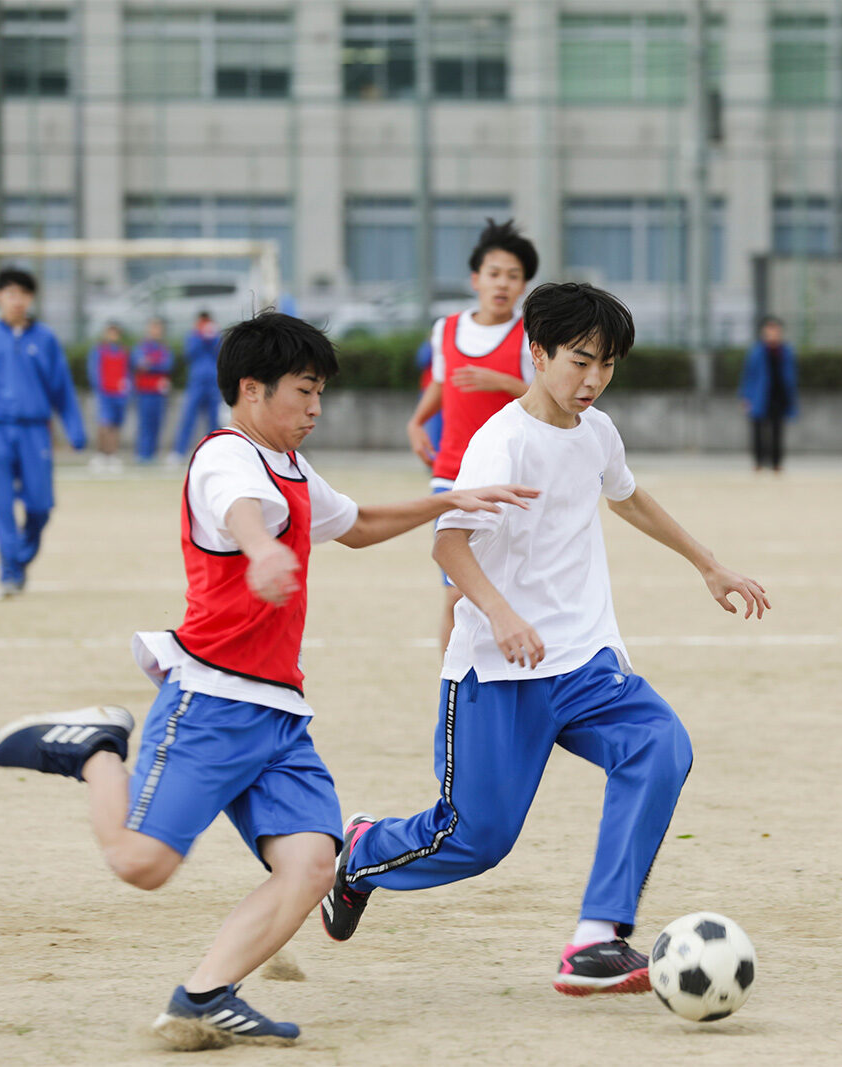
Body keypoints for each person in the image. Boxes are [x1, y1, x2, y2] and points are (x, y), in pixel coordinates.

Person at [0, 311, 536, 1049]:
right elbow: (241, 512)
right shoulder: (228, 456)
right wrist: (260, 550)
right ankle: (94, 749)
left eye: (320, 394)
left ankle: (203, 996)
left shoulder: (292, 466)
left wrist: (446, 500)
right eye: (304, 391)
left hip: (277, 712)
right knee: (141, 863)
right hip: (211, 698)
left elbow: (358, 522)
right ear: (252, 389)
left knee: (312, 863)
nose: (315, 409)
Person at [321, 282, 770, 998]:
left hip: (585, 660)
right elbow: (449, 544)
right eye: (580, 360)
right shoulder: (502, 440)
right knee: (475, 840)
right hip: (500, 672)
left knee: (661, 745)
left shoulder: (598, 433)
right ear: (538, 353)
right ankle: (362, 851)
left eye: (608, 365)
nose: (593, 379)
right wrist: (499, 613)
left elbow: (626, 494)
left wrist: (707, 562)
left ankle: (596, 938)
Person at [403, 218, 540, 654]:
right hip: (452, 475)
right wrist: (416, 421)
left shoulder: (529, 337)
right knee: (456, 594)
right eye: (495, 273)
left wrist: (500, 380)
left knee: (514, 592)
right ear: (475, 279)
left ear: (523, 286)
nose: (503, 283)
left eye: (513, 276)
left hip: (510, 477)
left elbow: (546, 397)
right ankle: (454, 684)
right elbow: (442, 385)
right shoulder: (446, 328)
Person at [0, 268, 87, 599]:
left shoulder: (45, 339)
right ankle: (9, 573)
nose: (17, 300)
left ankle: (20, 559)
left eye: (23, 294)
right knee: (2, 504)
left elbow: (62, 388)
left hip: (34, 432)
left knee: (40, 506)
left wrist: (75, 430)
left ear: (31, 298)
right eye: (10, 293)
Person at [737, 315, 799, 472]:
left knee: (777, 431)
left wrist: (791, 395)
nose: (773, 333)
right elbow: (748, 375)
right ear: (764, 332)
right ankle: (758, 462)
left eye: (776, 330)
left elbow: (791, 374)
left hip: (779, 396)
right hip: (760, 396)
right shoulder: (757, 352)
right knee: (758, 431)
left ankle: (776, 462)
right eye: (770, 330)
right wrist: (746, 397)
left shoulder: (786, 351)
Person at [171, 310, 223, 460]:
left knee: (214, 420)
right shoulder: (193, 336)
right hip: (196, 382)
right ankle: (180, 451)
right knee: (188, 417)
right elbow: (189, 354)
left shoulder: (216, 336)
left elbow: (220, 354)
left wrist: (212, 337)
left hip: (212, 383)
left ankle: (215, 452)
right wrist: (200, 337)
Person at [88, 322, 131, 471]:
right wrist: (100, 389)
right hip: (105, 393)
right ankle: (101, 454)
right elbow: (94, 372)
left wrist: (126, 389)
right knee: (104, 424)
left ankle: (113, 455)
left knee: (116, 426)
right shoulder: (99, 351)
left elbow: (127, 372)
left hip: (119, 394)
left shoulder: (123, 351)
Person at [132, 317, 174, 463]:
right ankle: (142, 454)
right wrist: (151, 365)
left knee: (157, 423)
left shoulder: (163, 348)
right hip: (145, 392)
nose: (156, 331)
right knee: (145, 423)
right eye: (153, 328)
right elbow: (139, 363)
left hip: (159, 393)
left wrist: (150, 364)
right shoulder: (142, 347)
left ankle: (153, 454)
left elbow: (166, 365)